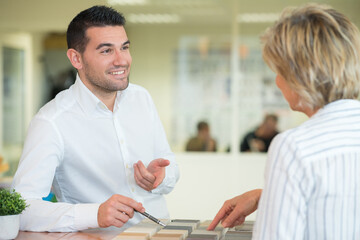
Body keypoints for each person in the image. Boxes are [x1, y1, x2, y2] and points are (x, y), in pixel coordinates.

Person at [11, 5, 179, 232]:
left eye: (124, 47)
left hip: (164, 233)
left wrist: (162, 177)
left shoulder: (142, 98)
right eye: (106, 51)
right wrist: (94, 214)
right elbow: (22, 209)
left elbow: (169, 161)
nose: (121, 60)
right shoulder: (51, 122)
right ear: (76, 58)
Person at [208, 3, 360, 239]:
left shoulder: (294, 146)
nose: (277, 82)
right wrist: (267, 195)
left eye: (279, 71)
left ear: (300, 75)